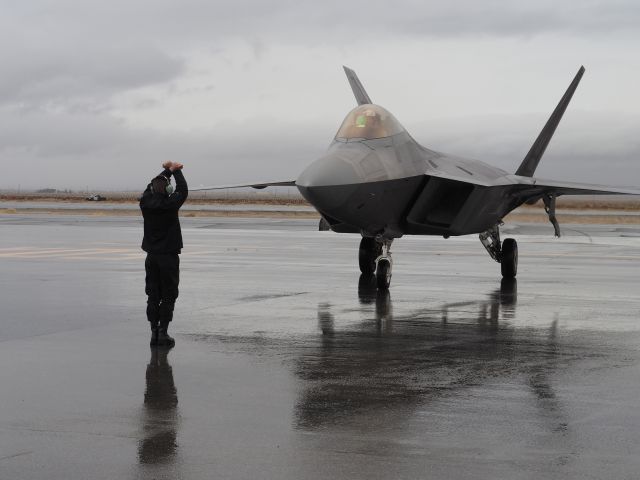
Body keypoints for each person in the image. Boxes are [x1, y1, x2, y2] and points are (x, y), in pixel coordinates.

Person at [140, 161, 188, 347]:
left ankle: (154, 332)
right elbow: (183, 190)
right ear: (167, 190)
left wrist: (167, 171)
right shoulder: (171, 204)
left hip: (151, 256)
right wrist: (176, 171)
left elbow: (148, 187)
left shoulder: (145, 202)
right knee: (168, 295)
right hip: (168, 256)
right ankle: (163, 332)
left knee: (153, 294)